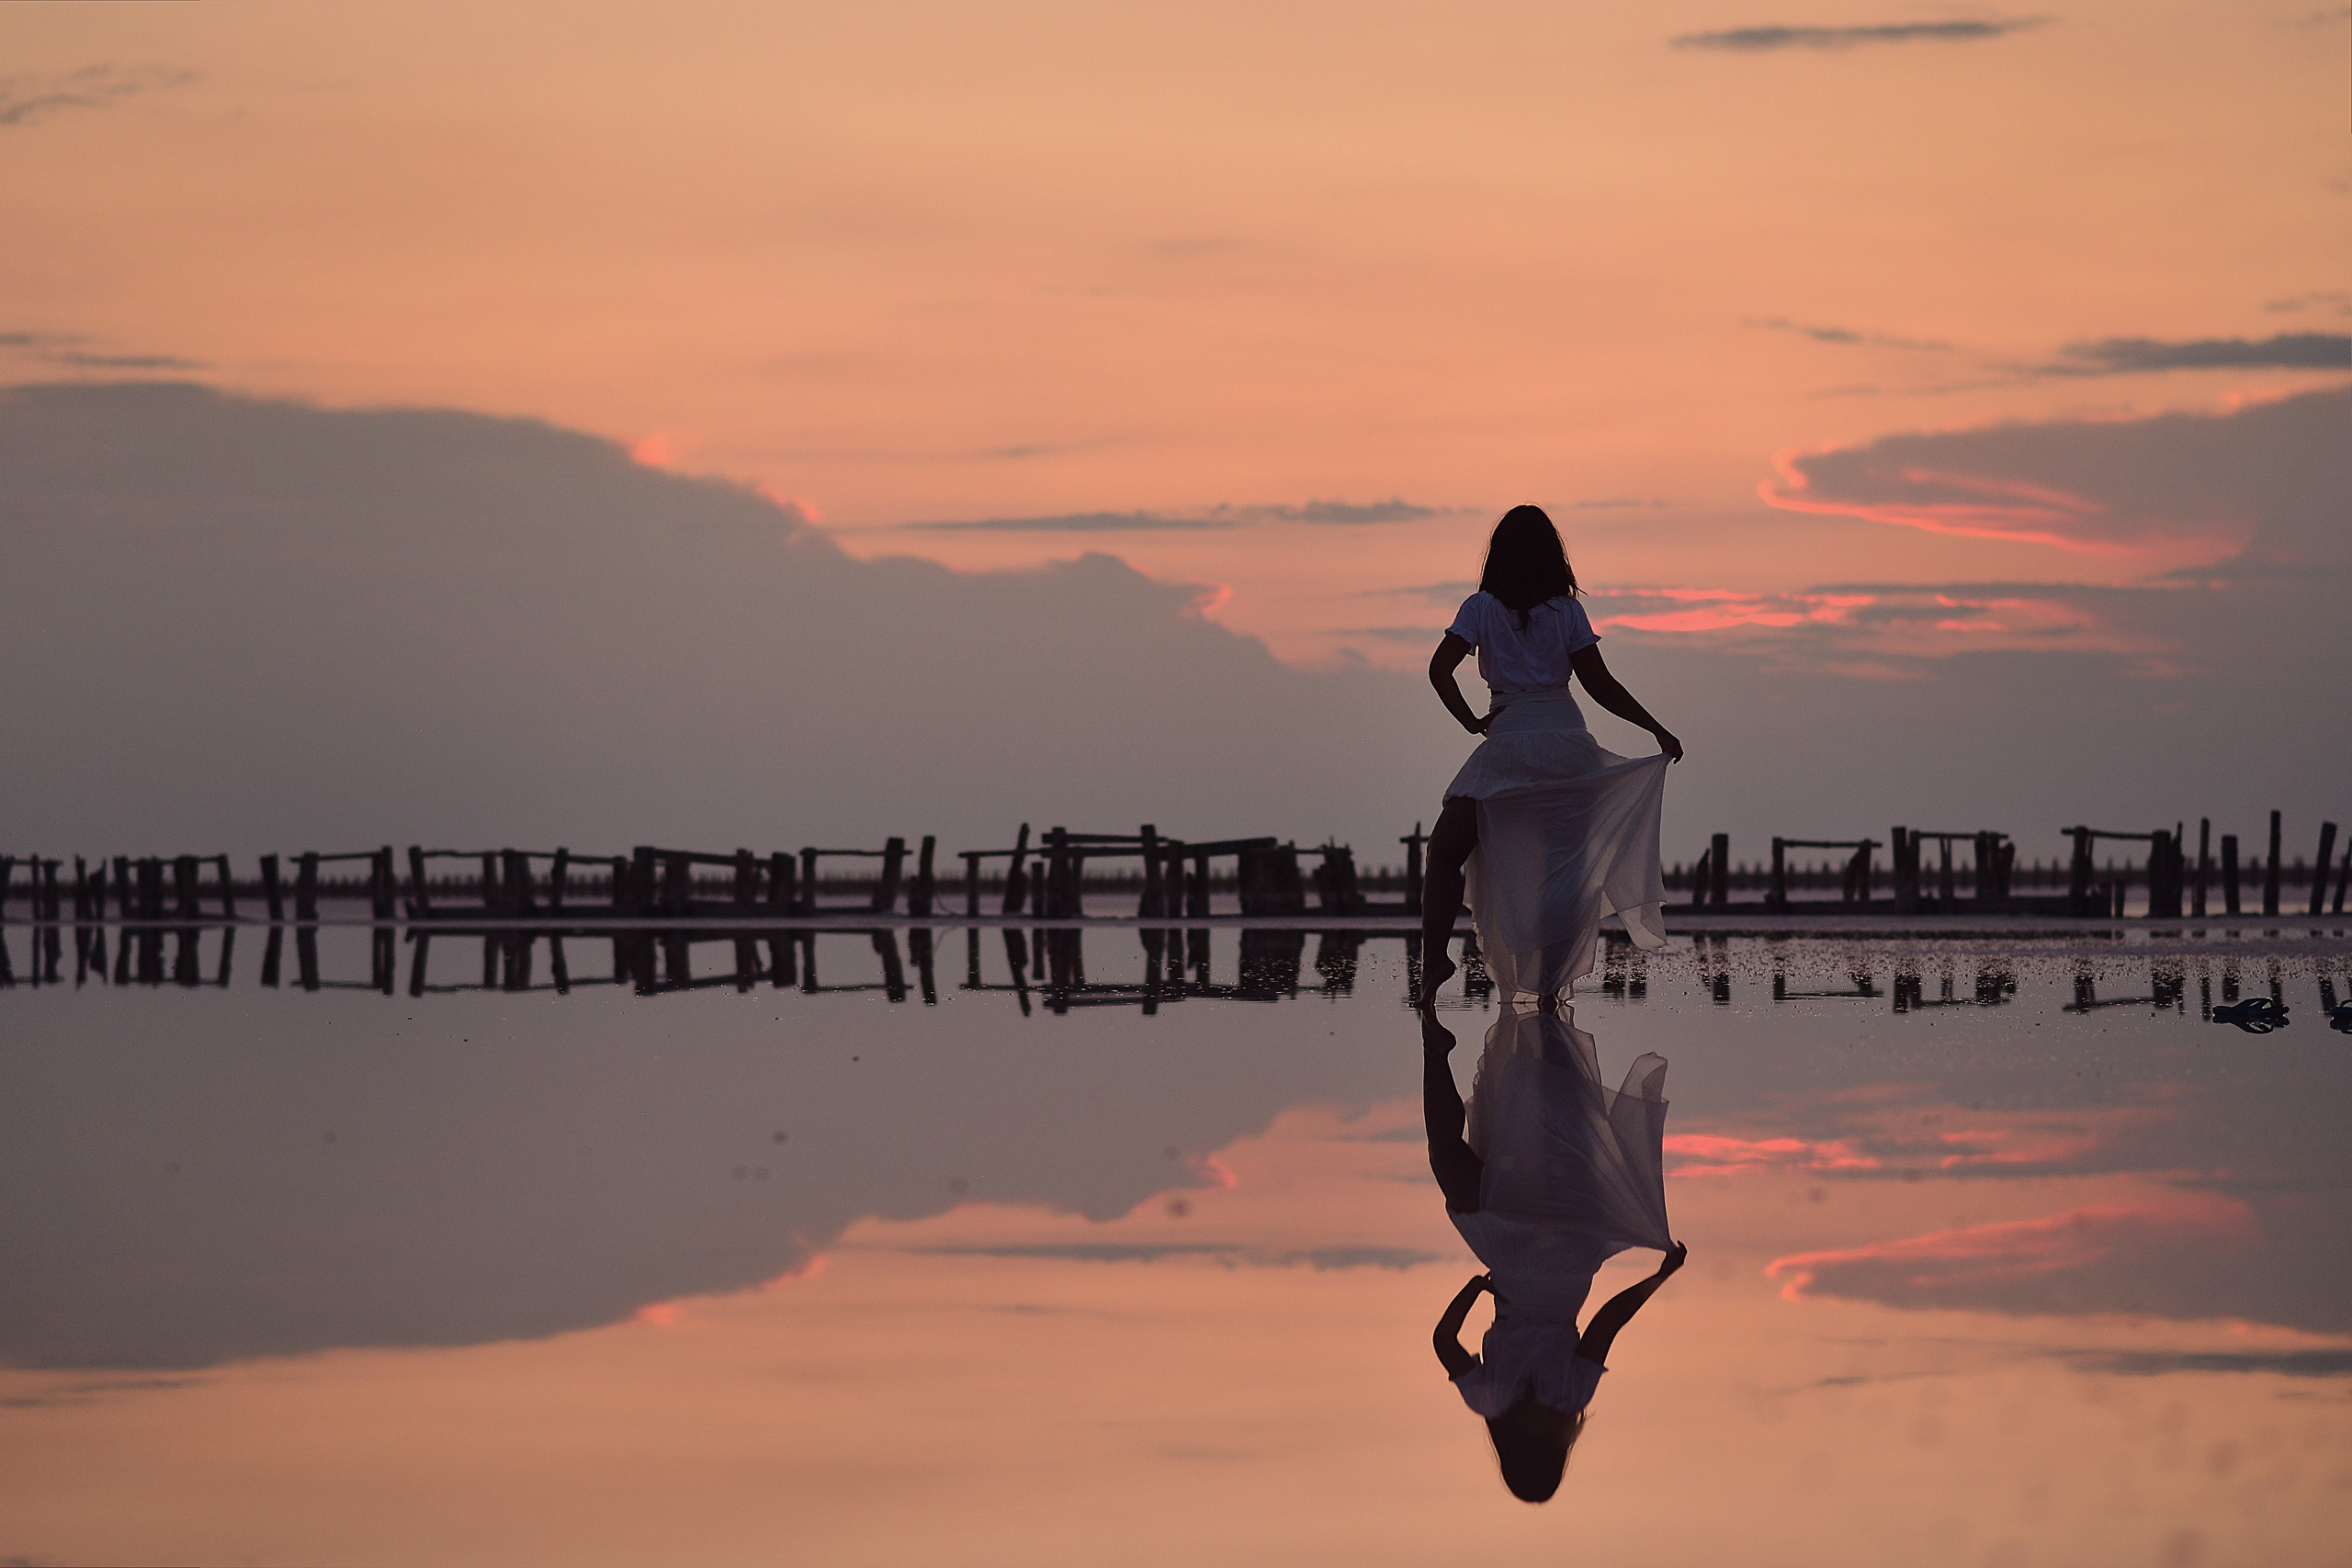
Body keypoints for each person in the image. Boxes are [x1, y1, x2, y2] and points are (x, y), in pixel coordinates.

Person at [1421, 504, 1681, 1008]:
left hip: (1509, 743)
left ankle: (1435, 959)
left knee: (1444, 852)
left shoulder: (1480, 607)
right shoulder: (1567, 611)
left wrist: (1472, 721)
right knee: (1564, 874)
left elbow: (1439, 670)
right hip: (1567, 747)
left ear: (1497, 555)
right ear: (1551, 556)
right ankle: (1547, 985)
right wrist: (1656, 729)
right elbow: (1598, 683)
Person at [1424, 1006, 1684, 1503]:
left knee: (1539, 1139)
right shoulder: (1549, 1398)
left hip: (1552, 1253)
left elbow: (1605, 1323)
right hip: (1534, 1252)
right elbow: (1604, 1326)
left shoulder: (1503, 1399)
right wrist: (1474, 1289)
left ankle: (1486, 1032)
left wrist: (1476, 1289)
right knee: (1546, 1138)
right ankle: (1536, 1021)